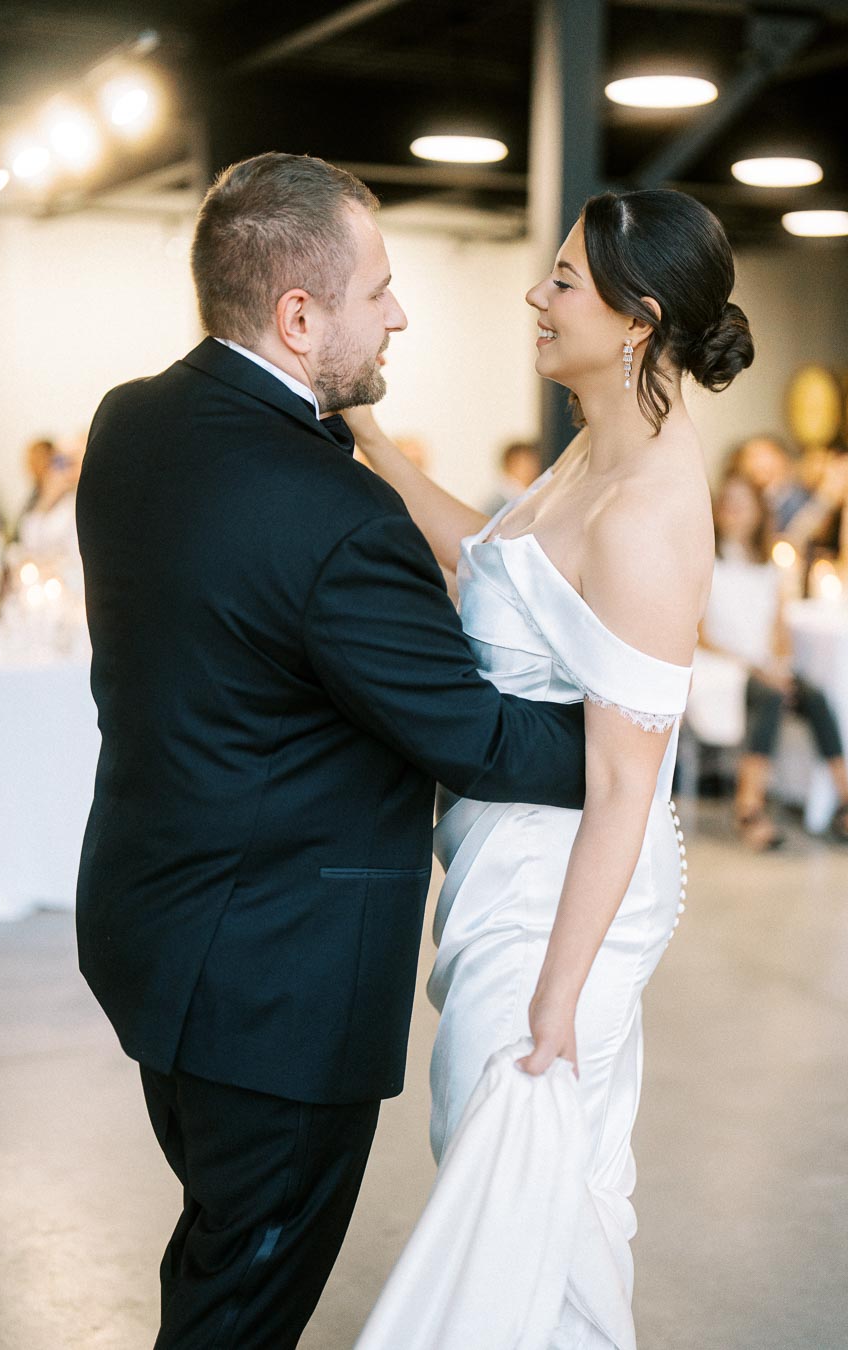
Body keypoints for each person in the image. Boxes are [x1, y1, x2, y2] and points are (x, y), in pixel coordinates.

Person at [75, 152, 589, 1350]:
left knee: (217, 1242)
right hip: (273, 992)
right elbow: (478, 737)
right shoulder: (339, 517)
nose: (400, 312)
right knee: (240, 1304)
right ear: (299, 316)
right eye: (380, 289)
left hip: (153, 934)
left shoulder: (132, 418)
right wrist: (631, 739)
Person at [346, 188, 753, 1349]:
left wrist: (559, 995)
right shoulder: (594, 451)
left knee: (523, 1180)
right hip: (513, 859)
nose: (537, 294)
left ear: (638, 317)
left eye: (563, 278)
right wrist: (372, 443)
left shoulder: (645, 511)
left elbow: (628, 782)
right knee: (537, 1188)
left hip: (561, 891)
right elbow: (495, 563)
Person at [696, 472, 848, 849]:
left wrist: (780, 666)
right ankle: (748, 807)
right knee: (767, 696)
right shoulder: (708, 563)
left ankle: (847, 800)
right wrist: (756, 668)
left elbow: (779, 633)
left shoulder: (770, 568)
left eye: (742, 503)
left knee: (814, 695)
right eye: (727, 503)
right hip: (719, 666)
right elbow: (702, 635)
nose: (733, 511)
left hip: (762, 665)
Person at [482, 438, 543, 516]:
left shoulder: (528, 494)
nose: (532, 469)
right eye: (525, 465)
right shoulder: (496, 504)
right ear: (510, 465)